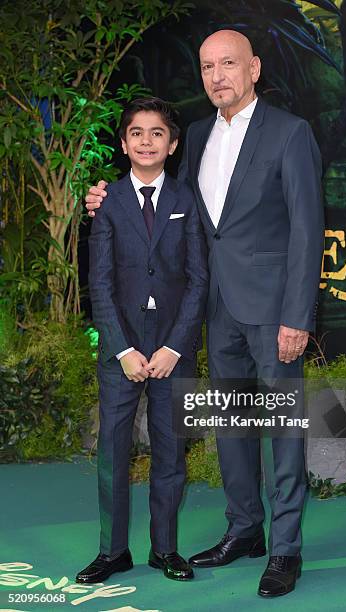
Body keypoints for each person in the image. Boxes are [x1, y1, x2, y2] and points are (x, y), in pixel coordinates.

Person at [85, 30, 324, 598]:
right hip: (214, 309)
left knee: (281, 430)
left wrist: (298, 315)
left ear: (254, 69)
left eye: (229, 64)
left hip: (273, 313)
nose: (218, 76)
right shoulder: (193, 134)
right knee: (233, 427)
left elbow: (307, 230)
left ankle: (286, 549)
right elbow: (172, 202)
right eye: (208, 66)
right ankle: (245, 530)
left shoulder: (290, 133)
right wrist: (106, 196)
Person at [77, 97, 208, 585]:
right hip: (122, 346)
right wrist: (122, 348)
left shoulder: (185, 200)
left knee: (171, 452)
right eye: (137, 132)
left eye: (157, 134)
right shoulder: (106, 202)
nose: (146, 141)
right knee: (113, 449)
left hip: (172, 345)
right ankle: (112, 552)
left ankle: (165, 549)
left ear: (172, 145)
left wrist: (174, 347)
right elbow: (100, 282)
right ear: (125, 141)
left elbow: (198, 280)